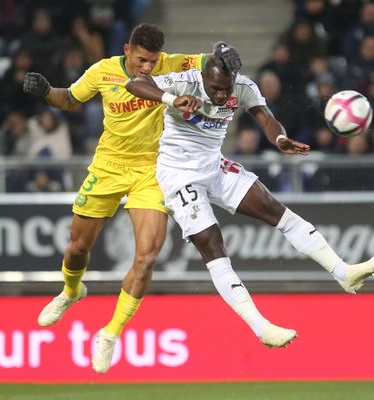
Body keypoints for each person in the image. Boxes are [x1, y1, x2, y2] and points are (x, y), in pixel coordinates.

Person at [125, 44, 374, 355]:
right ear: (205, 75)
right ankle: (261, 327)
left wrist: (280, 139)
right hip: (178, 174)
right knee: (213, 244)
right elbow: (133, 84)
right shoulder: (185, 81)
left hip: (214, 166)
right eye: (216, 88)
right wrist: (171, 99)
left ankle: (343, 273)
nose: (221, 96)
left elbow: (265, 119)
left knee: (277, 211)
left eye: (226, 89)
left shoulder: (243, 86)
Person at [21, 23, 239, 374]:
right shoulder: (102, 71)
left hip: (154, 170)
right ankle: (71, 291)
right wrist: (47, 90)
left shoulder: (173, 65)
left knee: (148, 257)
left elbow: (211, 60)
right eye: (141, 60)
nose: (148, 69)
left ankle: (110, 333)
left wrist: (225, 50)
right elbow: (70, 100)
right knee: (77, 248)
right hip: (108, 167)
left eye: (153, 62)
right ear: (127, 49)